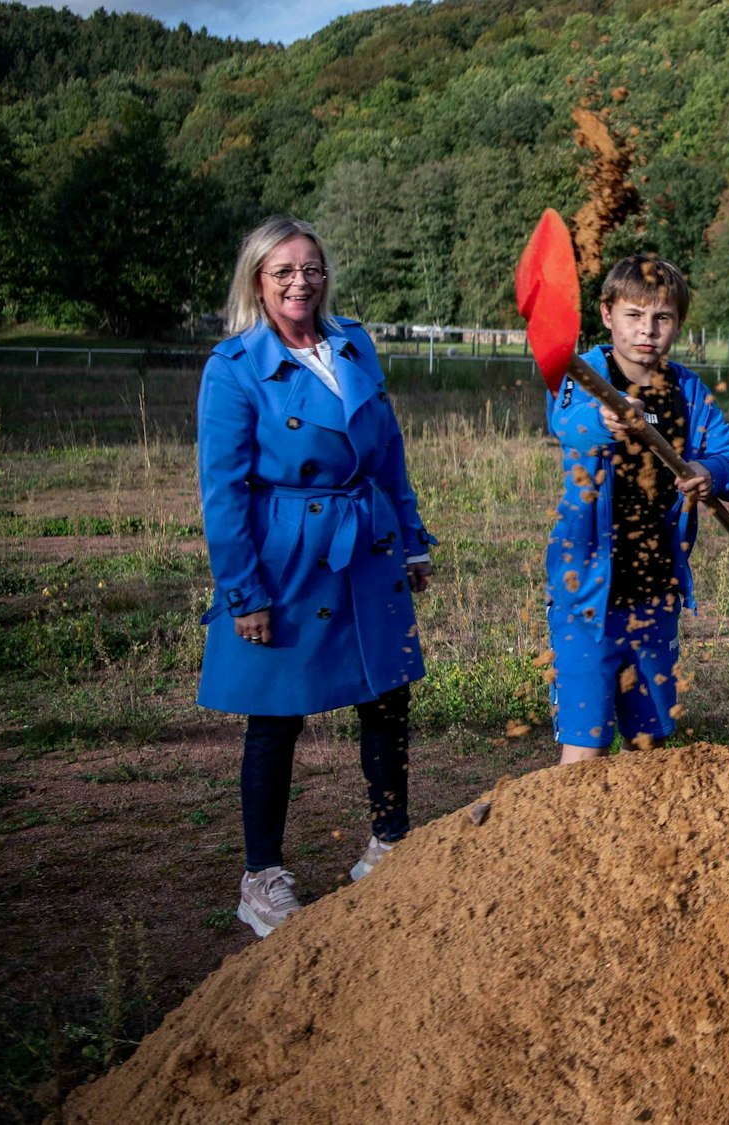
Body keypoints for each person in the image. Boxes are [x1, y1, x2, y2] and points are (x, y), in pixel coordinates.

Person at [196, 217, 437, 938]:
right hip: (286, 552)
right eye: (284, 272)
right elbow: (223, 490)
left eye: (313, 268)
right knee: (276, 716)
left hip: (367, 541)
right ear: (257, 281)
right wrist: (245, 592)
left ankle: (389, 839)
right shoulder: (234, 367)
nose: (301, 282)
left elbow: (387, 451)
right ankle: (261, 876)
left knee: (387, 697)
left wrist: (413, 540)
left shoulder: (354, 342)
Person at [547, 253, 729, 764]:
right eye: (634, 316)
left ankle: (644, 841)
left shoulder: (687, 391)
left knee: (652, 746)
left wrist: (710, 473)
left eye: (662, 318)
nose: (648, 331)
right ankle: (575, 837)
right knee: (584, 749)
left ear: (678, 324)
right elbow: (568, 423)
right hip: (587, 595)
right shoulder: (584, 377)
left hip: (657, 593)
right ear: (607, 314)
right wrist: (610, 419)